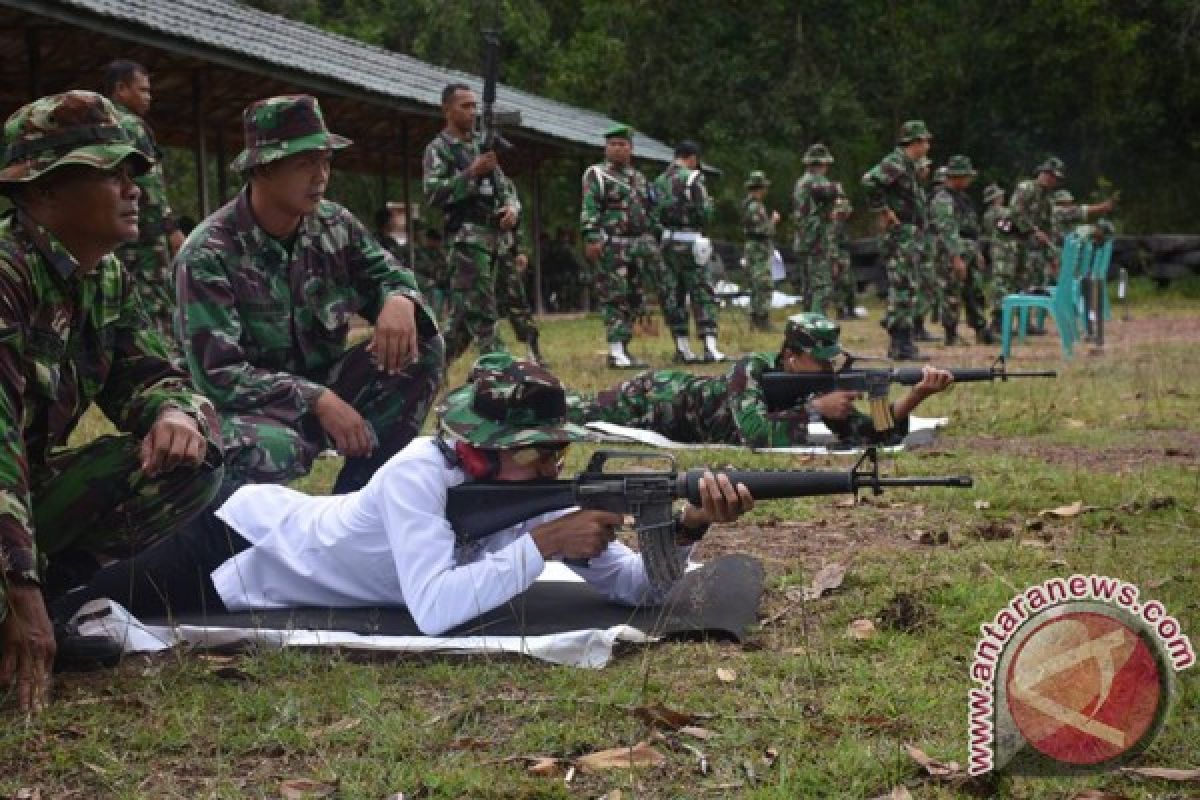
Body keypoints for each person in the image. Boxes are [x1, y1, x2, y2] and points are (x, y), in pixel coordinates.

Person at [49, 355, 756, 638]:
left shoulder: (535, 489)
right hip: (237, 541)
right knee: (73, 607)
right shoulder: (421, 471)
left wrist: (688, 526)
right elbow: (435, 610)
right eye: (542, 450)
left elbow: (636, 590)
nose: (556, 463)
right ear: (489, 449)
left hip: (256, 553)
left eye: (558, 450)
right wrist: (545, 545)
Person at [0, 91, 224, 712]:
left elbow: (156, 375)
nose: (133, 191)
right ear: (42, 191)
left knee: (190, 462)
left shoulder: (102, 278)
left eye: (133, 175)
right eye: (111, 173)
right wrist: (19, 589)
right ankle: (22, 615)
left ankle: (52, 606)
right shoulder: (6, 276)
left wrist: (174, 411)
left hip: (17, 503)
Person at [176, 94, 443, 496]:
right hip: (248, 409)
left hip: (324, 384)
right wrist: (316, 399)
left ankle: (358, 501)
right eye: (304, 163)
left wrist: (399, 298)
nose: (320, 176)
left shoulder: (333, 224)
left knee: (422, 347)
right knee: (275, 450)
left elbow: (389, 275)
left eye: (325, 161)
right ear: (261, 170)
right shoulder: (208, 253)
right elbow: (220, 378)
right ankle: (233, 538)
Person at [569, 313, 953, 449]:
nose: (824, 370)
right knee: (567, 409)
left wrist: (915, 395)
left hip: (669, 415)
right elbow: (753, 433)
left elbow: (877, 436)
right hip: (651, 399)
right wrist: (813, 410)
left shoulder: (819, 383)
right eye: (815, 361)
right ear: (790, 356)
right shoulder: (750, 369)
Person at [422, 83, 520, 363]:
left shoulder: (482, 144)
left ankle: (430, 368)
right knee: (483, 312)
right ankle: (501, 373)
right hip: (466, 238)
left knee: (463, 321)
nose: (472, 112)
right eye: (465, 106)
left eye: (474, 106)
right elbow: (433, 193)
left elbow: (505, 186)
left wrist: (512, 208)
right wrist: (471, 173)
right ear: (447, 110)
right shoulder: (439, 148)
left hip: (494, 239)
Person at [103, 60, 185, 349]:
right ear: (121, 89)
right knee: (154, 305)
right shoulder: (133, 127)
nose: (149, 97)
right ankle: (163, 368)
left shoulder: (100, 123)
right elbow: (149, 191)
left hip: (114, 238)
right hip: (145, 241)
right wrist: (170, 230)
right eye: (143, 90)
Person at [580, 124, 658, 368]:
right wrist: (591, 236)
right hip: (611, 245)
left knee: (635, 297)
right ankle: (615, 351)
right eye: (612, 144)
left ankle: (624, 348)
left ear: (631, 149)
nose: (616, 149)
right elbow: (589, 206)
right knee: (614, 297)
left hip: (637, 246)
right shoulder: (598, 174)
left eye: (622, 145)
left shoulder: (639, 178)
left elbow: (649, 210)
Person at [862, 120, 935, 361]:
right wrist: (882, 209)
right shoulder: (895, 162)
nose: (928, 145)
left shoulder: (908, 165)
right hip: (900, 233)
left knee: (908, 285)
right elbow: (869, 181)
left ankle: (903, 340)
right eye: (925, 141)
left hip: (910, 233)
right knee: (902, 286)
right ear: (914, 142)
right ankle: (899, 342)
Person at [653, 140, 724, 363]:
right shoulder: (693, 178)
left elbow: (652, 214)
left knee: (674, 294)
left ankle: (682, 347)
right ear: (693, 158)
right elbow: (705, 212)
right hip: (692, 243)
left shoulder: (659, 181)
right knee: (702, 293)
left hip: (667, 244)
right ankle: (710, 347)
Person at [930, 155, 993, 345]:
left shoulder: (963, 198)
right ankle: (951, 333)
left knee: (975, 291)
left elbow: (972, 228)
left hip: (969, 249)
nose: (969, 180)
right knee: (952, 292)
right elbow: (947, 230)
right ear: (957, 176)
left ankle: (981, 329)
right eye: (966, 176)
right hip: (952, 251)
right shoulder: (943, 199)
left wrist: (978, 252)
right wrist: (956, 257)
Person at [494, 185, 548, 367]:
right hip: (473, 253)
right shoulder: (462, 172)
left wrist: (520, 250)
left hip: (503, 253)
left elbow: (516, 218)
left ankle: (534, 352)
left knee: (518, 303)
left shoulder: (502, 182)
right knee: (472, 308)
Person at [791, 144, 840, 315]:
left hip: (804, 241)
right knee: (821, 287)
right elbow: (833, 195)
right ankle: (816, 325)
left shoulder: (801, 182)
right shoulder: (815, 181)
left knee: (809, 288)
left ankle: (807, 327)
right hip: (816, 241)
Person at [740, 170, 779, 331]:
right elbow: (761, 230)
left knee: (758, 284)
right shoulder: (755, 206)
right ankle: (761, 319)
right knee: (763, 283)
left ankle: (757, 318)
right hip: (758, 250)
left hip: (756, 249)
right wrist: (773, 222)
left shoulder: (749, 204)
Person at [981, 184, 1019, 334]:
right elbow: (1010, 227)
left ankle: (999, 320)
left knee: (998, 285)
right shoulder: (1001, 213)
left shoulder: (987, 215)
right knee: (1003, 285)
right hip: (1004, 252)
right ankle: (1000, 321)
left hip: (995, 251)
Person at [829, 190, 861, 320]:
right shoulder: (834, 225)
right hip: (839, 256)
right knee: (841, 284)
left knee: (849, 284)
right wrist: (834, 262)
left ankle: (851, 309)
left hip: (845, 255)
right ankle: (841, 311)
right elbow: (832, 243)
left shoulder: (842, 224)